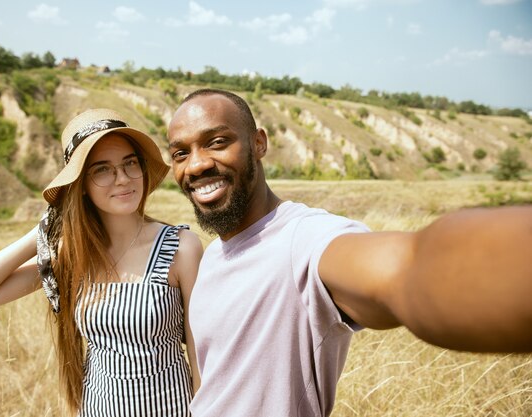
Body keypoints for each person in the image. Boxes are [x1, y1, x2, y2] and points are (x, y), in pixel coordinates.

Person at [166, 88, 532, 417]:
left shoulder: (303, 239)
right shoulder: (214, 255)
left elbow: (407, 269)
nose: (196, 165)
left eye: (216, 142)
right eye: (181, 153)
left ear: (258, 143)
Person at [0, 108, 203, 417]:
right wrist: (39, 235)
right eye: (102, 170)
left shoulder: (181, 248)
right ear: (81, 185)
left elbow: (200, 354)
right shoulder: (72, 256)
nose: (122, 179)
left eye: (130, 164)